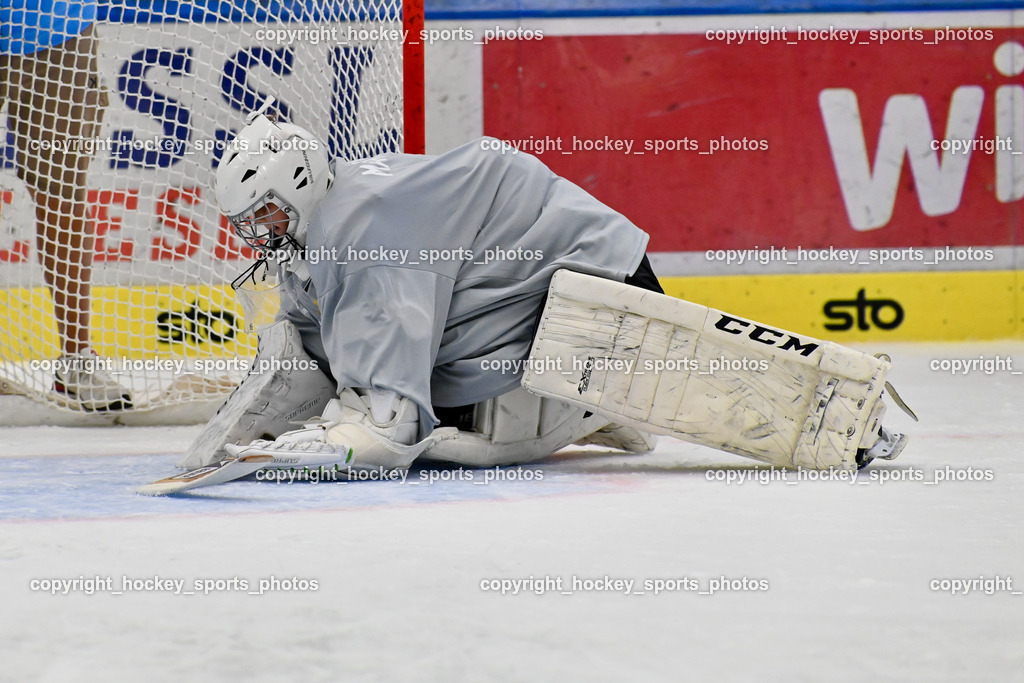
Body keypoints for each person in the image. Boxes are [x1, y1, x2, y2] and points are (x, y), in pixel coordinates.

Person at [191, 103, 908, 474]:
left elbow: (390, 430)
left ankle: (576, 411)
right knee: (435, 415)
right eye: (247, 221)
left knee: (449, 437)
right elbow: (331, 348)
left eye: (268, 214)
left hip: (591, 288)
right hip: (554, 279)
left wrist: (300, 454)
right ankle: (581, 410)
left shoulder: (366, 230)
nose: (259, 233)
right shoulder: (337, 215)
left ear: (301, 186)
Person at [0, 0, 132, 411]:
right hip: (59, 26)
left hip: (59, 27)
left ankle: (77, 363)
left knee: (63, 195)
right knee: (63, 196)